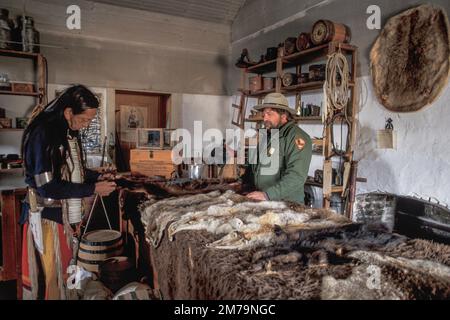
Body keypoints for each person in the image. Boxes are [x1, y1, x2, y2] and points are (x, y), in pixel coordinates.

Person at [20, 84, 116, 299]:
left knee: (64, 276)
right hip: (46, 221)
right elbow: (46, 185)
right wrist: (93, 188)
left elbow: (70, 171)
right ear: (68, 112)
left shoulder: (67, 132)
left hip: (63, 221)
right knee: (48, 279)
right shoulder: (42, 132)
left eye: (90, 121)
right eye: (84, 120)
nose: (85, 125)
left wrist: (97, 177)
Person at [243, 93, 312, 204]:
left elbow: (296, 176)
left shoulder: (297, 138)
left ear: (283, 116)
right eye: (264, 114)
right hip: (264, 201)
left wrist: (267, 195)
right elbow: (254, 166)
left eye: (269, 114)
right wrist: (242, 182)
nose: (264, 118)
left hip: (287, 205)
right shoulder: (268, 135)